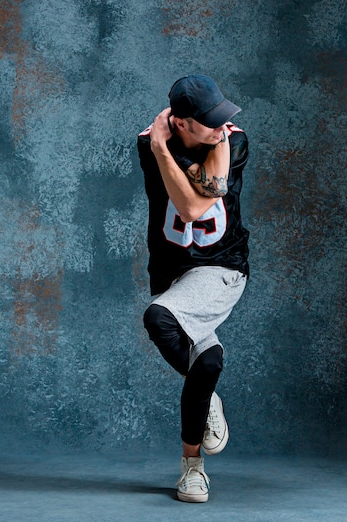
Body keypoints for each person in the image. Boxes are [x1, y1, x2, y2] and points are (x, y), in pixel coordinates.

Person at [137, 74, 249, 503]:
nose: (221, 126)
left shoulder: (234, 141)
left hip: (222, 267)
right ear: (181, 123)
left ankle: (192, 465)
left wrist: (165, 147)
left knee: (157, 317)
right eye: (209, 122)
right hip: (172, 273)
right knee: (206, 367)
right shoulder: (148, 145)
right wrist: (161, 150)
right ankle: (192, 465)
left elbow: (194, 204)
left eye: (222, 117)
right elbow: (183, 195)